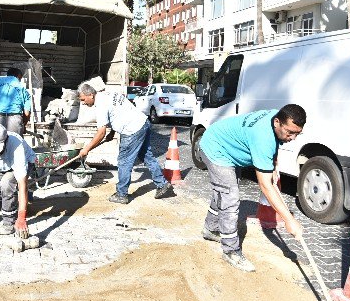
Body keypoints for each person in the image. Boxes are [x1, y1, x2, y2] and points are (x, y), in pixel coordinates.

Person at [199, 104, 306, 272]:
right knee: (230, 197)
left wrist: (274, 163)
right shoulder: (263, 137)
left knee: (223, 190)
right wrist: (289, 220)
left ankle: (210, 229)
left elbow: (275, 143)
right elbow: (265, 185)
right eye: (290, 133)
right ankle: (231, 251)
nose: (292, 138)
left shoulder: (275, 115)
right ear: (277, 122)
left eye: (297, 134)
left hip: (227, 145)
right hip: (216, 148)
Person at [77, 82, 173, 204]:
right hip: (143, 122)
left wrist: (87, 149)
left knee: (124, 162)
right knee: (146, 156)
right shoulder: (108, 94)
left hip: (132, 130)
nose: (83, 103)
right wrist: (112, 132)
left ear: (90, 95)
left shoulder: (100, 105)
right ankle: (162, 184)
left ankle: (122, 194)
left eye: (83, 99)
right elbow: (117, 112)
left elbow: (100, 133)